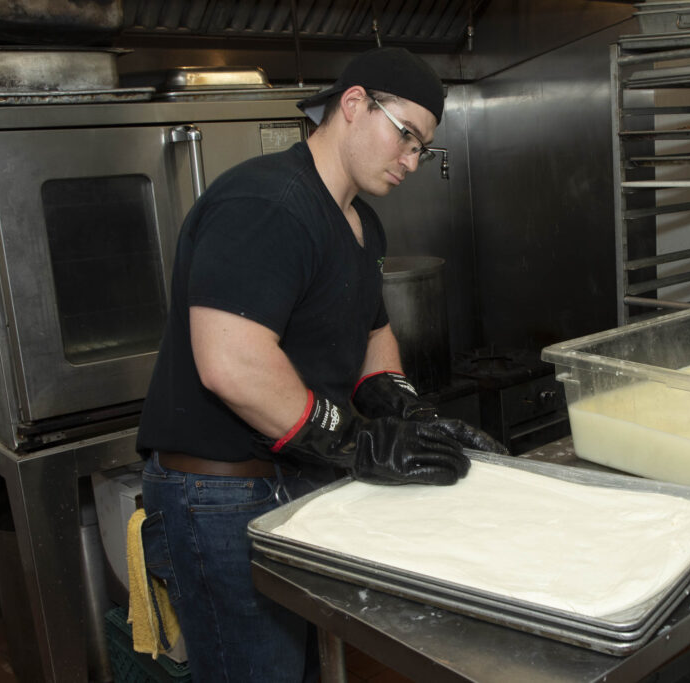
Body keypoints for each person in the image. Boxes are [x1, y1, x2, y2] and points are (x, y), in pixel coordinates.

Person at [135, 46, 506, 682]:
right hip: (221, 495)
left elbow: (371, 330)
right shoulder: (268, 203)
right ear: (355, 105)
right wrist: (358, 440)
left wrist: (404, 406)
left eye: (423, 149)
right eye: (407, 138)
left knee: (301, 668)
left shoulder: (360, 224)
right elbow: (232, 362)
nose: (412, 161)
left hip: (290, 481)